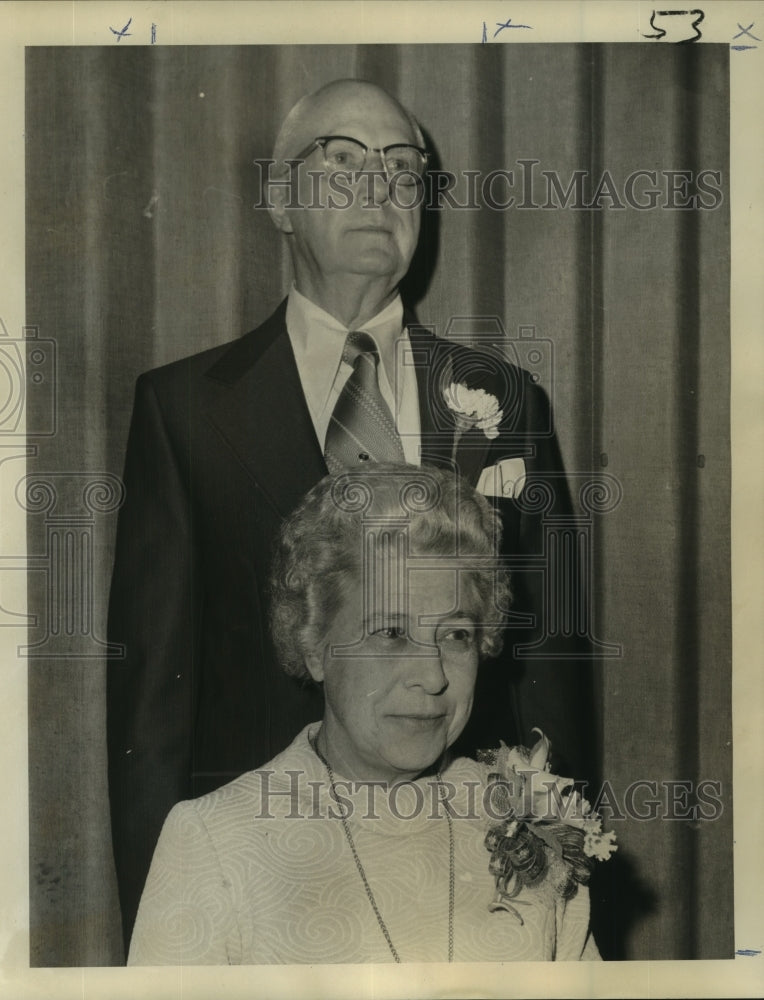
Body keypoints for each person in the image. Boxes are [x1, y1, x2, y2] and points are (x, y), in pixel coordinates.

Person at [107, 78, 592, 953]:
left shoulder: (503, 398)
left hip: (470, 876)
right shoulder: (182, 409)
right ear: (279, 200)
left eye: (405, 168)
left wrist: (549, 863)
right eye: (343, 161)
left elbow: (549, 665)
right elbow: (151, 703)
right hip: (271, 881)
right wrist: (170, 930)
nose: (381, 187)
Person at [128, 466, 603, 964]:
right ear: (315, 644)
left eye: (456, 635)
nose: (433, 676)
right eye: (391, 633)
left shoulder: (533, 821)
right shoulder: (215, 842)